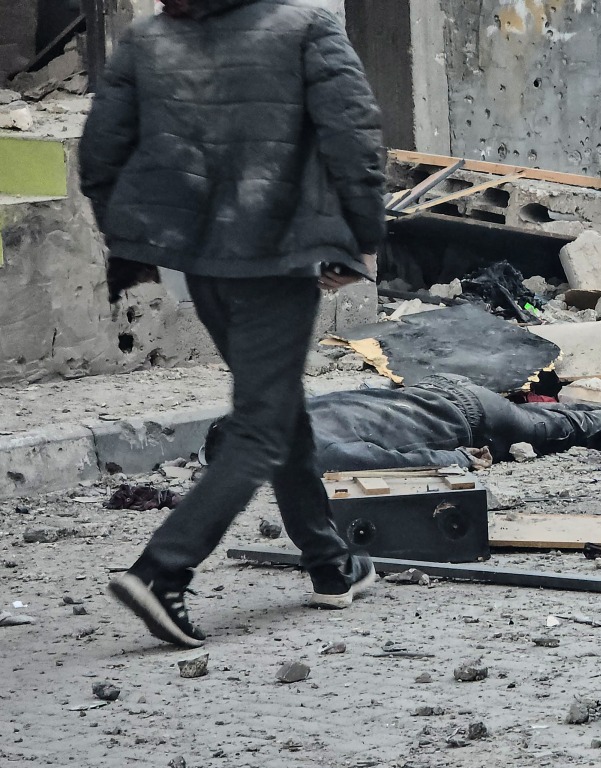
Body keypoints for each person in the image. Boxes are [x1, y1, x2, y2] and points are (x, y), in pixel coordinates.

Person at [80, 0, 385, 648]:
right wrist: (360, 239)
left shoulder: (147, 39)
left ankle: (329, 563)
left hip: (201, 262)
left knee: (274, 409)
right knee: (261, 426)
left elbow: (100, 153)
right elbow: (353, 136)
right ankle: (162, 570)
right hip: (277, 260)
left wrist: (141, 231)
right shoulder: (308, 27)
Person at [203, 374, 601, 473]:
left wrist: (456, 458)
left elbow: (387, 461)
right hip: (448, 392)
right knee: (546, 419)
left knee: (567, 430)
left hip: (468, 422)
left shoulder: (308, 451)